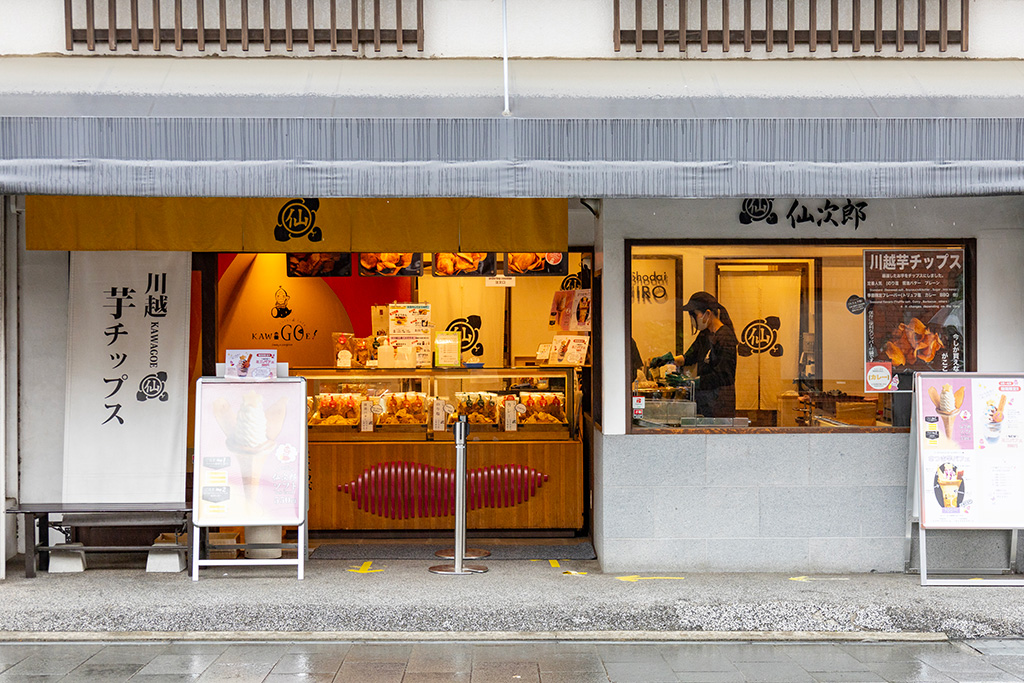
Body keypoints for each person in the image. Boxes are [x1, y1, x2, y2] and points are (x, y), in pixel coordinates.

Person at [650, 291, 738, 418]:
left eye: (694, 315)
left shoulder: (725, 337)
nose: (692, 320)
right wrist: (670, 359)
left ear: (707, 313)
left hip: (720, 403)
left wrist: (689, 382)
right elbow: (690, 356)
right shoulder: (705, 334)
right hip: (705, 400)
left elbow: (723, 376)